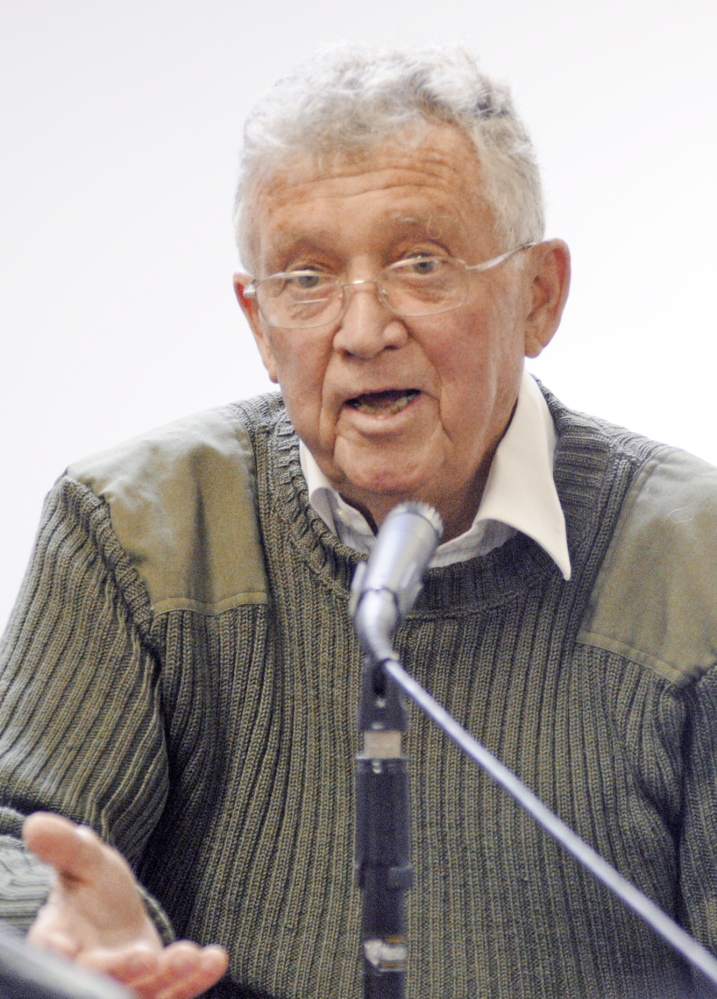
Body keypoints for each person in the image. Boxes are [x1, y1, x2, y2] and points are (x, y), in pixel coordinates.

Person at [1, 44, 716, 999]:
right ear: (258, 324)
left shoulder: (694, 560)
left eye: (421, 263)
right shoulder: (135, 532)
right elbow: (18, 844)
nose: (363, 326)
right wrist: (62, 935)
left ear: (538, 295)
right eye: (306, 278)